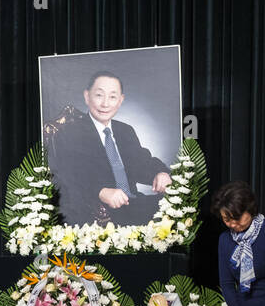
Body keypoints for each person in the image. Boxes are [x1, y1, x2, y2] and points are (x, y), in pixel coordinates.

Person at [45, 71, 172, 227]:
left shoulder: (125, 130)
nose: (105, 104)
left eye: (112, 97)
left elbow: (142, 163)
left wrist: (160, 172)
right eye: (99, 95)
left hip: (132, 204)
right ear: (87, 97)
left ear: (120, 101)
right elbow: (67, 175)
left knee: (178, 208)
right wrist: (100, 191)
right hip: (95, 211)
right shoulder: (70, 133)